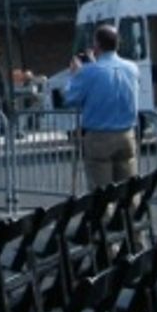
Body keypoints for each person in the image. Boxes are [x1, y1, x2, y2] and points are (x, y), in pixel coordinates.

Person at [63, 24, 140, 190]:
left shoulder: (88, 72)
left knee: (102, 191)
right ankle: (131, 214)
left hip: (99, 136)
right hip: (127, 134)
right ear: (118, 43)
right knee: (128, 188)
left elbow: (70, 98)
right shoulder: (132, 68)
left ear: (96, 45)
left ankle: (105, 216)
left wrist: (74, 75)